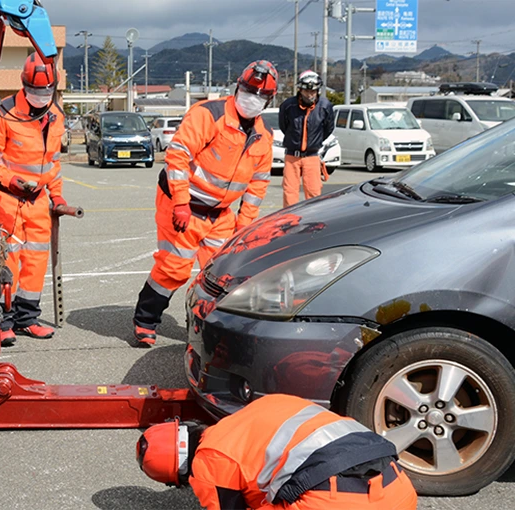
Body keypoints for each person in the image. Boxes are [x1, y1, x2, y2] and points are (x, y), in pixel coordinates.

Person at [131, 61, 277, 347]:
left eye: (260, 96)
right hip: (184, 203)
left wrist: (243, 226)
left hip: (220, 214)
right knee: (174, 268)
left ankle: (204, 327)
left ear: (269, 100)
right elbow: (177, 157)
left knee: (223, 274)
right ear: (238, 87)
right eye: (249, 91)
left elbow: (258, 185)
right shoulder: (208, 115)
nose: (252, 99)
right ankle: (145, 321)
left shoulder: (264, 137)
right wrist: (181, 203)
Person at [136, 393, 418, 510]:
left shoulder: (208, 462)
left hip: (334, 501)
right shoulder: (263, 407)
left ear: (179, 473)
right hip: (399, 488)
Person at [0, 52, 67, 345]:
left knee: (35, 260)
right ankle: (3, 321)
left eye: (46, 91)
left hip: (38, 201)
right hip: (6, 199)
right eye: (35, 91)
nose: (41, 97)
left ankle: (27, 318)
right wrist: (10, 179)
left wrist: (57, 197)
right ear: (24, 85)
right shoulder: (3, 111)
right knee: (6, 262)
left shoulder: (56, 117)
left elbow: (53, 163)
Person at [279, 70, 335, 208]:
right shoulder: (288, 105)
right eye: (306, 91)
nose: (310, 94)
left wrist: (315, 141)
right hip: (292, 155)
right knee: (290, 192)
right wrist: (294, 140)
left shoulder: (325, 106)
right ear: (300, 89)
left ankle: (313, 223)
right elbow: (284, 126)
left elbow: (328, 127)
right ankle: (289, 222)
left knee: (314, 193)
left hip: (312, 155)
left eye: (313, 91)